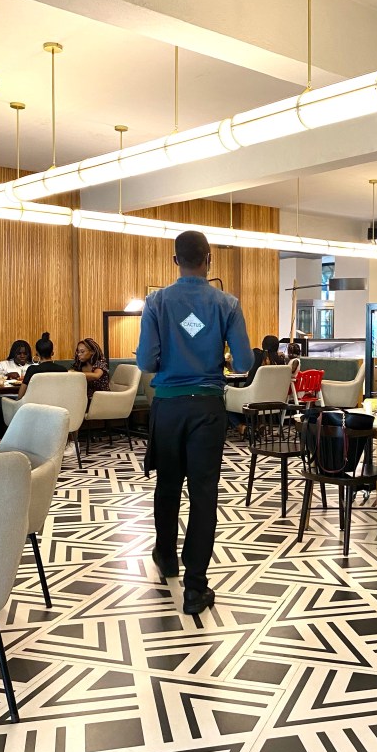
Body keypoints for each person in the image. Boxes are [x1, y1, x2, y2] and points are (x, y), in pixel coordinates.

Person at [136, 230, 254, 616]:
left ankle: (166, 556)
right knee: (204, 495)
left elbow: (145, 362)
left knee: (168, 486)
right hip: (207, 407)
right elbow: (244, 363)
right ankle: (195, 587)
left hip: (168, 407)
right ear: (209, 259)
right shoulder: (228, 304)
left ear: (175, 261)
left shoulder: (156, 302)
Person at [17, 332, 67, 399]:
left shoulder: (32, 370)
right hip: (57, 404)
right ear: (52, 353)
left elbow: (20, 396)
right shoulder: (63, 370)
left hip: (36, 404)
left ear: (37, 354)